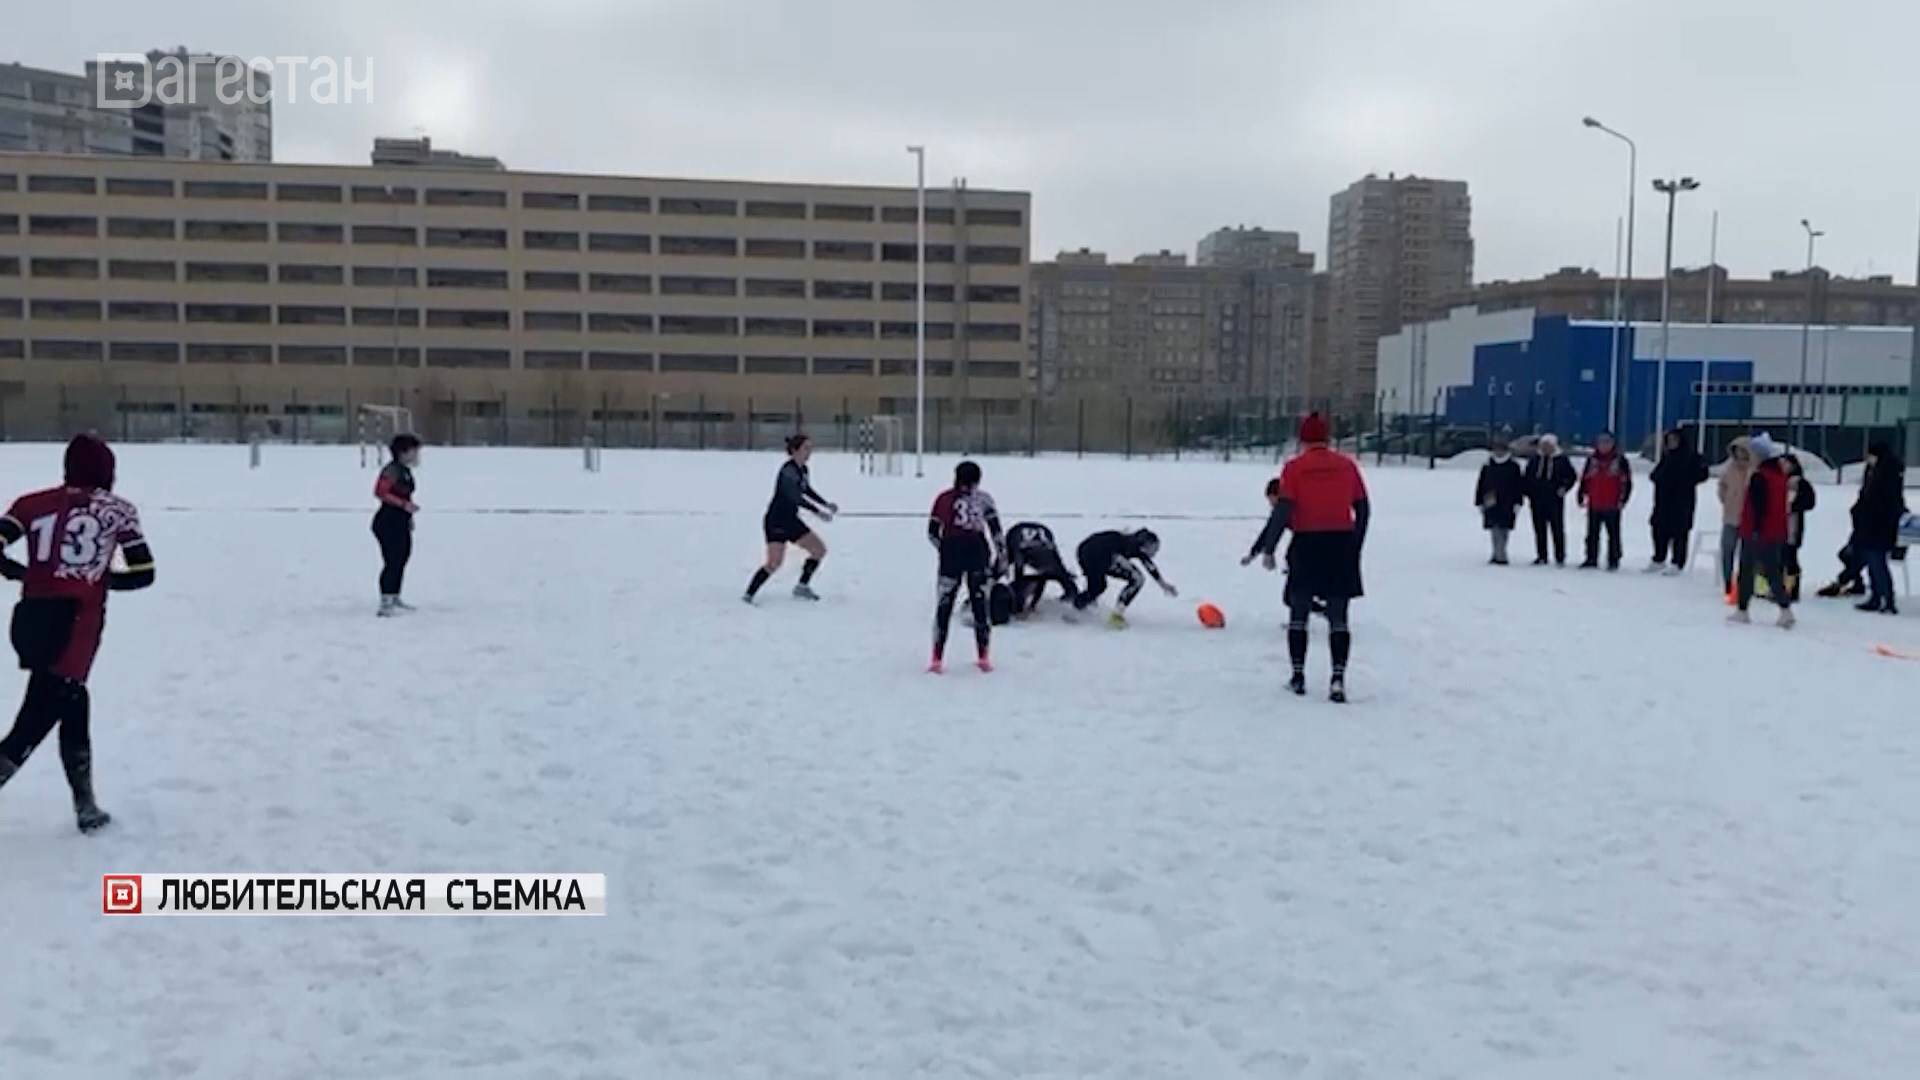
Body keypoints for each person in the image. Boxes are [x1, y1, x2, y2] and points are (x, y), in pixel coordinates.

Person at [0, 434, 155, 833]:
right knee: (33, 723)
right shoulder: (117, 510)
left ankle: (86, 806)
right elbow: (143, 574)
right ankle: (85, 806)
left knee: (72, 705)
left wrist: (20, 572)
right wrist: (99, 580)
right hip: (78, 626)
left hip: (32, 617)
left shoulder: (31, 504)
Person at [1243, 412, 1370, 703]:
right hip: (1340, 543)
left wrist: (1270, 548)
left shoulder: (1294, 468)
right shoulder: (1347, 466)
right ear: (1327, 439)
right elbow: (1363, 509)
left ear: (1302, 440)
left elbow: (1283, 510)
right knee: (1339, 618)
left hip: (1307, 544)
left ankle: (1298, 676)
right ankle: (1338, 679)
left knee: (1298, 614)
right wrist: (1355, 545)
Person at [926, 461, 1006, 672]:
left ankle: (936, 659)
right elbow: (996, 531)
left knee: (944, 604)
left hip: (952, 552)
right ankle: (983, 657)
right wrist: (1002, 555)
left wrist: (943, 549)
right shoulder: (984, 499)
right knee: (981, 605)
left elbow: (932, 532)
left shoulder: (943, 499)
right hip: (977, 552)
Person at [744, 434, 838, 603]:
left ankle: (802, 587)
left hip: (791, 520)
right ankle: (749, 595)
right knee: (774, 563)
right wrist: (818, 512)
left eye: (811, 448)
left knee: (819, 550)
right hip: (776, 521)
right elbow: (794, 496)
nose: (809, 452)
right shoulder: (788, 471)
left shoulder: (803, 470)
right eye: (806, 448)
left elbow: (806, 490)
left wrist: (826, 504)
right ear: (795, 451)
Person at [1730, 432, 1795, 628]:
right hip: (1775, 531)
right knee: (1772, 571)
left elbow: (1759, 506)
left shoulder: (1760, 477)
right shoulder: (1779, 476)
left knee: (1748, 570)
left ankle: (1743, 610)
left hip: (1757, 532)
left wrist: (1755, 528)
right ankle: (1785, 609)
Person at [1074, 528, 1177, 628]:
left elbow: (1148, 565)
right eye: (1154, 549)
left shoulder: (1134, 543)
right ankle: (1116, 615)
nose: (1155, 552)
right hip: (1097, 554)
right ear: (1145, 546)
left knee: (1098, 587)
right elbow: (1131, 563)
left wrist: (1162, 584)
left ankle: (1074, 607)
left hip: (1085, 552)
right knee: (1138, 579)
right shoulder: (1130, 545)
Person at [1852, 440, 1908, 615]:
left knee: (1877, 562)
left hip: (1879, 525)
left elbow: (1883, 501)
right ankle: (1878, 596)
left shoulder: (1885, 475)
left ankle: (1886, 598)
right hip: (1872, 524)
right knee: (1873, 561)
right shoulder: (1877, 472)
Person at [1647, 428, 1709, 574]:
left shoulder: (1691, 457)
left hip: (1682, 501)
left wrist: (1685, 480)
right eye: (1669, 440)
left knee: (1680, 532)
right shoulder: (1666, 457)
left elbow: (1702, 474)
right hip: (1663, 500)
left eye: (1674, 440)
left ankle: (1677, 562)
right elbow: (1656, 474)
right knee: (1658, 528)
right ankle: (1659, 558)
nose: (1671, 443)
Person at [373, 433, 421, 616]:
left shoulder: (405, 471)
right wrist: (403, 505)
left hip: (401, 520)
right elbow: (380, 492)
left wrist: (409, 517)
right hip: (388, 521)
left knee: (402, 557)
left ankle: (394, 595)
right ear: (403, 452)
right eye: (413, 451)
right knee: (392, 560)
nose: (416, 455)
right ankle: (385, 601)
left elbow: (406, 495)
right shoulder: (391, 470)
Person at [1578, 431, 1632, 570]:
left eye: (1607, 442)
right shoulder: (1592, 460)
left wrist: (1624, 499)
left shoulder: (1620, 460)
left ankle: (1614, 559)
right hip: (1595, 502)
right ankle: (1591, 558)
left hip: (1612, 503)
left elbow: (1627, 482)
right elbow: (1585, 478)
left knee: (1613, 534)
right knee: (1592, 533)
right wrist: (1581, 494)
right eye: (1601, 442)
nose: (1604, 445)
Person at [1524, 433, 1577, 565]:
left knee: (1557, 528)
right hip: (1537, 499)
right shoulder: (1535, 459)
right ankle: (1542, 555)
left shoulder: (1561, 460)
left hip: (1555, 499)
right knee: (1539, 529)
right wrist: (1528, 492)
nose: (1546, 448)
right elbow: (1527, 477)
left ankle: (1560, 556)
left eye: (1549, 445)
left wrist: (1564, 488)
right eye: (1543, 445)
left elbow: (1571, 476)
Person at [1006, 521, 1079, 616]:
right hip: (1036, 536)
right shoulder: (1049, 559)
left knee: (1048, 571)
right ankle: (1071, 595)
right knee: (1055, 570)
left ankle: (1020, 604)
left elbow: (1019, 569)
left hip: (1025, 538)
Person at [1475, 439, 1525, 565]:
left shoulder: (1513, 466)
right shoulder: (1487, 465)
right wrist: (1479, 501)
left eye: (1501, 450)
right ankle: (1497, 553)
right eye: (1496, 450)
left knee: (1504, 528)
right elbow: (1481, 483)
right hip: (1490, 499)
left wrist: (1518, 502)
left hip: (1508, 501)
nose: (1498, 453)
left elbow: (1519, 485)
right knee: (1494, 527)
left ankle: (1501, 552)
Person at [1716, 436, 1756, 592]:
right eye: (1737, 451)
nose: (1740, 454)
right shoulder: (1729, 469)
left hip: (1749, 518)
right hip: (1730, 516)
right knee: (1727, 550)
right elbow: (1722, 486)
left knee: (1747, 554)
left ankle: (1745, 582)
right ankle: (1728, 581)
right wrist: (1725, 499)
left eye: (1743, 451)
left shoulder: (1754, 470)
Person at [1782, 454, 1817, 602]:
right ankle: (1780, 587)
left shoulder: (1800, 483)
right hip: (1778, 524)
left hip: (1793, 526)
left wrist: (1793, 507)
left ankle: (1792, 590)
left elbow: (1810, 502)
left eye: (1786, 464)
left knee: (1790, 559)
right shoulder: (1779, 480)